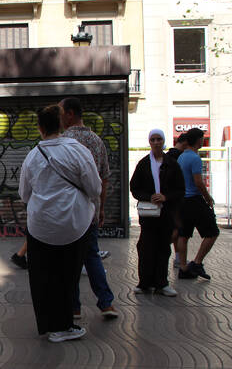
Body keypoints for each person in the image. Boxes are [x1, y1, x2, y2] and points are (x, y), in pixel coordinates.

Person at [19, 104, 101, 343]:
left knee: (43, 278)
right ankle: (64, 325)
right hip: (75, 225)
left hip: (40, 227)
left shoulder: (32, 156)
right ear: (62, 124)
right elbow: (95, 188)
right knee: (68, 276)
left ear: (40, 128)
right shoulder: (78, 151)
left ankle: (49, 325)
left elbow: (24, 194)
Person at [59, 97, 118, 320]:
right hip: (90, 210)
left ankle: (74, 307)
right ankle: (106, 304)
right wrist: (100, 208)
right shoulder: (96, 141)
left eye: (61, 112)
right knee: (91, 256)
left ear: (71, 114)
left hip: (68, 211)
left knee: (69, 259)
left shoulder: (63, 141)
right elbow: (104, 179)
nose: (59, 117)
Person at [129, 129, 185, 296]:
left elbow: (180, 189)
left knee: (163, 248)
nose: (155, 142)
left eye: (159, 139)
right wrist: (150, 197)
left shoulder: (172, 164)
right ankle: (144, 283)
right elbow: (134, 188)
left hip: (166, 214)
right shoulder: (144, 164)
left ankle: (162, 283)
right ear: (149, 142)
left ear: (163, 141)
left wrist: (165, 197)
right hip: (148, 215)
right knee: (145, 248)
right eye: (152, 139)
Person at [177, 128, 219, 280]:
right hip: (194, 200)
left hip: (183, 201)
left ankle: (182, 267)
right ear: (198, 140)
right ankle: (197, 262)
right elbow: (198, 182)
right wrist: (208, 197)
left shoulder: (181, 157)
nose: (203, 141)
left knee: (184, 234)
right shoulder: (195, 158)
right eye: (202, 138)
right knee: (212, 232)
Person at [166, 132, 188, 267]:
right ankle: (178, 257)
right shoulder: (180, 157)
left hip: (169, 198)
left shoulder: (167, 155)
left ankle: (178, 257)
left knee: (175, 229)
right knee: (178, 230)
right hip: (177, 199)